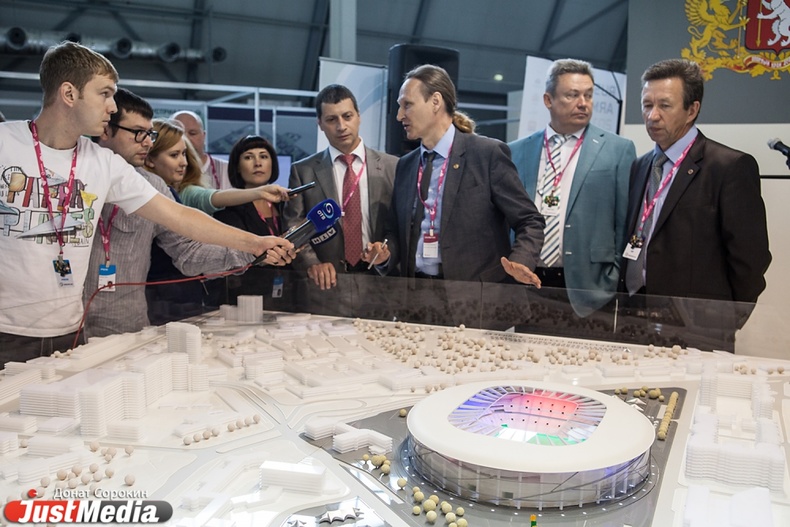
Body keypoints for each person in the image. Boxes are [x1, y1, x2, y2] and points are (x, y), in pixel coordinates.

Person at [0, 41, 293, 362]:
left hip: (70, 331)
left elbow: (178, 216)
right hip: (6, 330)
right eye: (104, 94)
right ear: (69, 94)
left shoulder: (104, 163)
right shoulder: (5, 143)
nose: (112, 107)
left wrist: (254, 243)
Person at [83, 88, 258, 338]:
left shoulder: (152, 186)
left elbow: (187, 250)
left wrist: (249, 251)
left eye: (149, 134)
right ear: (105, 129)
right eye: (138, 132)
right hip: (66, 325)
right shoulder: (74, 175)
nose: (147, 142)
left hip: (125, 328)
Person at [621, 59, 771, 348]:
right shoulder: (640, 166)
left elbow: (751, 260)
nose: (652, 116)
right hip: (635, 318)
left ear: (692, 110)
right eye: (647, 105)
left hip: (698, 328)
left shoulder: (729, 167)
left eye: (665, 106)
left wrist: (725, 319)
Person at [364, 64, 544, 286]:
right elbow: (395, 231)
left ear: (435, 101)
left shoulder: (486, 154)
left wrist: (521, 260)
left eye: (407, 105)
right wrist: (385, 253)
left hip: (475, 297)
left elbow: (530, 220)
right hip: (416, 294)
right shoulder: (406, 165)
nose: (400, 115)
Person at [509, 59, 636, 317]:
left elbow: (625, 222)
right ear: (548, 100)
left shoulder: (618, 150)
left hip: (591, 288)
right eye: (572, 95)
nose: (583, 103)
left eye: (588, 95)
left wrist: (613, 277)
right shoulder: (516, 151)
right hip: (528, 283)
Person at [283, 84, 397, 290]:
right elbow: (294, 226)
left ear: (359, 116)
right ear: (320, 124)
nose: (341, 126)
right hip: (326, 283)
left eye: (347, 116)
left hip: (381, 281)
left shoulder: (393, 166)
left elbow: (402, 224)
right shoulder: (303, 171)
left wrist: (387, 253)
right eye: (331, 119)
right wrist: (312, 263)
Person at [171, 110, 231, 190]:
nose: (186, 139)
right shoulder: (162, 171)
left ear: (204, 136)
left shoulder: (227, 170)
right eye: (180, 133)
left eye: (192, 133)